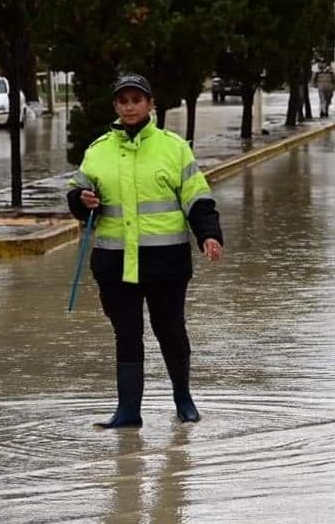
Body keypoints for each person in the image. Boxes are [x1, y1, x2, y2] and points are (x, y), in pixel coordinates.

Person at [67, 73, 223, 429]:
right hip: (115, 265)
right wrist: (82, 200)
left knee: (170, 330)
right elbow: (77, 194)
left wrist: (208, 235)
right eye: (123, 101)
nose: (130, 107)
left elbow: (197, 198)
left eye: (137, 100)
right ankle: (128, 412)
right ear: (115, 106)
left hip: (166, 265)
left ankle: (183, 399)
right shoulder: (97, 150)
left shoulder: (174, 148)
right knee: (127, 334)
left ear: (151, 104)